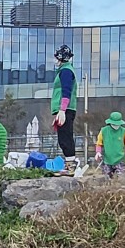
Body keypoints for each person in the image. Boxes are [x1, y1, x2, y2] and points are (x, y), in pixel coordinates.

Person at [50, 44, 79, 176]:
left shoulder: (66, 71)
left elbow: (66, 91)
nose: (55, 60)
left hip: (65, 109)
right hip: (64, 109)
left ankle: (71, 166)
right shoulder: (65, 70)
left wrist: (62, 110)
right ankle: (69, 165)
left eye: (56, 57)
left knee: (66, 137)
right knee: (63, 136)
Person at [95, 111, 125, 179]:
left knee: (121, 179)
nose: (116, 126)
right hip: (107, 160)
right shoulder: (104, 131)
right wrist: (98, 152)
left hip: (120, 160)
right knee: (106, 179)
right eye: (114, 124)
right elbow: (99, 143)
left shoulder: (124, 131)